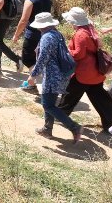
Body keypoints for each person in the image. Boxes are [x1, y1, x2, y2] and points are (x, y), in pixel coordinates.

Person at [47, 7, 112, 133]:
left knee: (69, 95)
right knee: (100, 99)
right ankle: (111, 123)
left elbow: (78, 54)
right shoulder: (90, 30)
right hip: (95, 72)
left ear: (74, 22)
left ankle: (60, 115)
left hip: (83, 73)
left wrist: (66, 51)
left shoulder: (80, 34)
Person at [24, 13, 83, 143]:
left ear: (42, 26)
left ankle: (75, 127)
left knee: (47, 105)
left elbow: (42, 58)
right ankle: (47, 129)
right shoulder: (56, 34)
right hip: (60, 74)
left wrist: (32, 75)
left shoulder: (47, 37)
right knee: (49, 102)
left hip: (52, 75)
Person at [12, 0, 51, 91]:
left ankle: (32, 83)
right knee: (39, 58)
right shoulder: (47, 0)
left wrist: (16, 35)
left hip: (32, 34)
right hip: (45, 33)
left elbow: (23, 20)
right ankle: (33, 81)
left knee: (27, 58)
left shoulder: (30, 1)